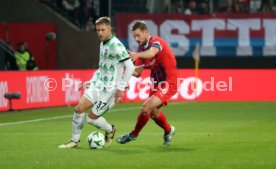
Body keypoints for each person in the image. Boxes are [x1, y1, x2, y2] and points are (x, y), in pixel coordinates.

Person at [59, 16, 135, 148]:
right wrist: (91, 81)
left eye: (103, 30)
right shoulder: (102, 43)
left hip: (110, 90)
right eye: (98, 30)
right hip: (98, 85)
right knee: (78, 109)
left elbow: (130, 67)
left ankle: (110, 129)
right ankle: (74, 140)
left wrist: (121, 88)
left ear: (109, 29)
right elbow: (102, 68)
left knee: (90, 119)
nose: (100, 33)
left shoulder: (116, 45)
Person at [116, 21, 178, 146]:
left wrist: (137, 54)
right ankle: (168, 130)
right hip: (155, 83)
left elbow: (152, 53)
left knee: (146, 108)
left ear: (145, 32)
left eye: (138, 35)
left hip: (168, 82)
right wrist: (121, 69)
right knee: (153, 113)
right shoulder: (140, 50)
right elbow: (137, 73)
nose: (136, 39)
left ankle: (133, 134)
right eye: (134, 36)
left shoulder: (156, 42)